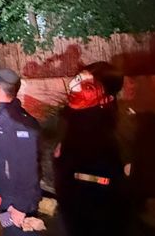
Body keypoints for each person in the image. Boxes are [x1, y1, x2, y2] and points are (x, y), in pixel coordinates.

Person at [53, 61, 131, 236]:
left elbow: (118, 185)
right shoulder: (68, 118)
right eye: (77, 78)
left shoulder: (114, 132)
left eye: (87, 86)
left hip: (98, 216)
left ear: (107, 98)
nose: (73, 86)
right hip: (69, 209)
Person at [0, 68, 42, 235]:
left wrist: (20, 207)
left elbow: (28, 167)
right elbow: (1, 159)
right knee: (9, 230)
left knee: (19, 232)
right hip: (5, 198)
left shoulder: (17, 123)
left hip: (17, 202)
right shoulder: (0, 116)